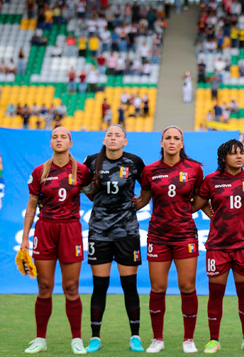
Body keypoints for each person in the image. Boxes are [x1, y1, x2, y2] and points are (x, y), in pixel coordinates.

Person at [21, 127, 91, 354]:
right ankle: (40, 339)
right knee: (44, 287)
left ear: (71, 142)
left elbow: (94, 195)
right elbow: (31, 206)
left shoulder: (82, 171)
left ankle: (76, 339)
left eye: (63, 137)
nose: (59, 140)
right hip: (45, 229)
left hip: (70, 230)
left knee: (71, 287)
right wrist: (24, 240)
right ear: (50, 142)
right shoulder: (40, 171)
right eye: (55, 136)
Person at [134, 126, 203, 354]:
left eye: (176, 138)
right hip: (158, 236)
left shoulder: (194, 169)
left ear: (182, 144)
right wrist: (116, 202)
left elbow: (201, 200)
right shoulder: (150, 170)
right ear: (161, 142)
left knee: (187, 286)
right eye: (168, 138)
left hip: (185, 235)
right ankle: (157, 339)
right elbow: (142, 200)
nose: (172, 141)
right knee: (158, 287)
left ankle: (189, 339)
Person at [191, 139, 244, 354]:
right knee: (216, 294)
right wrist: (211, 214)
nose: (239, 156)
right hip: (218, 246)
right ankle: (214, 340)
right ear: (224, 158)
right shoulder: (211, 180)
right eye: (234, 153)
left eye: (241, 152)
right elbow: (197, 203)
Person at [82, 124, 146, 353]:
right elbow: (85, 187)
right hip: (99, 232)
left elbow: (147, 188)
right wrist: (98, 202)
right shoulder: (90, 161)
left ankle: (135, 336)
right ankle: (95, 338)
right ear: (104, 139)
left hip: (127, 232)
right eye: (109, 134)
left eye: (118, 135)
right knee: (100, 286)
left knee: (130, 285)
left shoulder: (134, 162)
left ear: (125, 141)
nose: (113, 138)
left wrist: (139, 203)